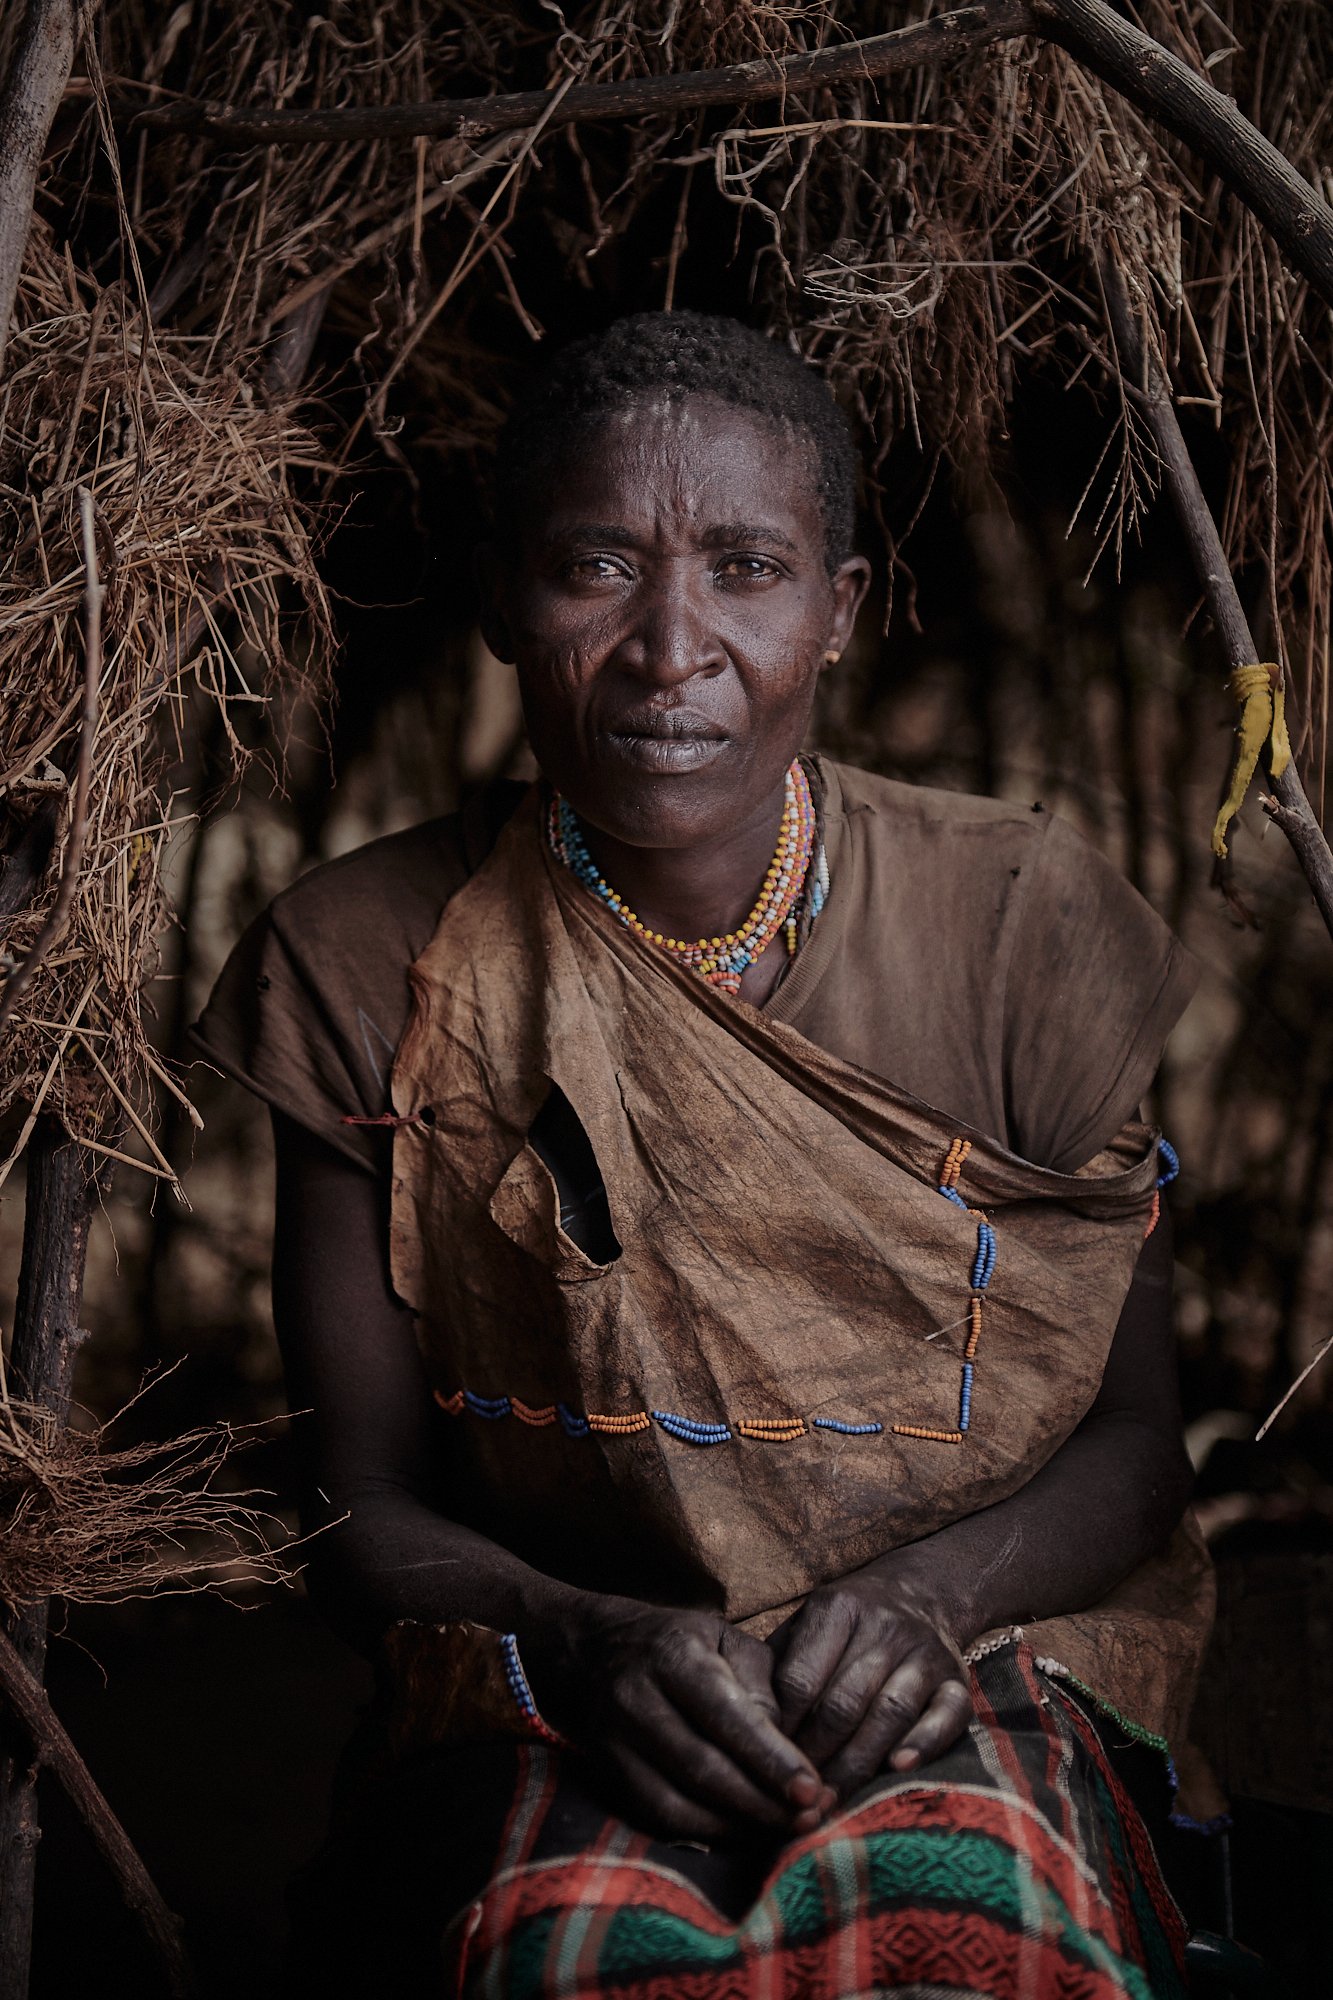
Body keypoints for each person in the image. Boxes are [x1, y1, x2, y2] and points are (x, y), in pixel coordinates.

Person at [194, 311, 1211, 1998]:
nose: (672, 644)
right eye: (598, 566)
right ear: (511, 601)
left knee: (956, 1934)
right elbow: (347, 1498)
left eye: (745, 568)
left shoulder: (1025, 921)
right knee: (586, 1956)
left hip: (981, 1648)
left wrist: (920, 1607)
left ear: (837, 614)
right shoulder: (365, 954)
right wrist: (585, 1642)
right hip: (564, 1664)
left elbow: (1137, 1442)